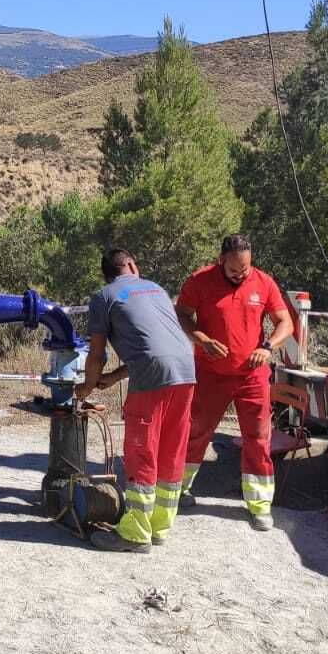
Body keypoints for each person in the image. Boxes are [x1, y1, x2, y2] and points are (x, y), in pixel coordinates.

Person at [74, 247, 197, 553]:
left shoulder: (103, 297)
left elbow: (98, 353)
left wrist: (86, 388)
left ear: (108, 272)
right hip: (186, 370)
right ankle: (159, 527)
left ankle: (134, 534)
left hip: (153, 378)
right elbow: (155, 346)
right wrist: (114, 378)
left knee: (142, 451)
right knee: (171, 448)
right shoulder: (156, 289)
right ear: (131, 265)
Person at [175, 234, 294, 531]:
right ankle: (179, 489)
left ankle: (259, 504)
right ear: (220, 260)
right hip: (210, 374)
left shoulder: (264, 282)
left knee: (257, 437)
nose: (241, 275)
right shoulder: (199, 281)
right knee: (197, 431)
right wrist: (200, 338)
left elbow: (285, 322)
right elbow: (180, 314)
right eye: (234, 271)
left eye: (246, 269)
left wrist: (267, 347)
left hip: (252, 377)